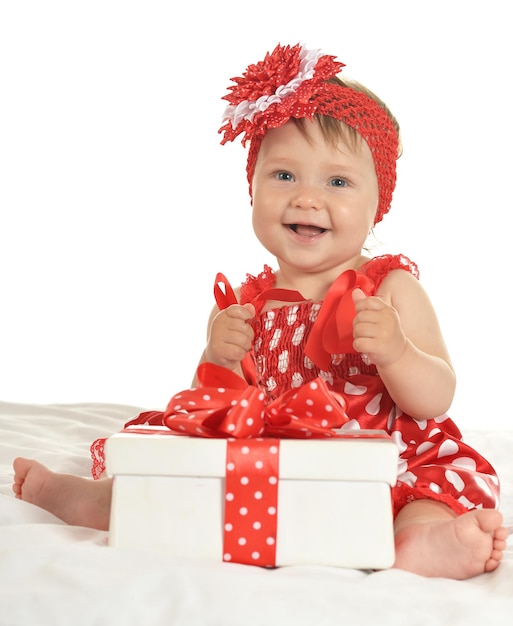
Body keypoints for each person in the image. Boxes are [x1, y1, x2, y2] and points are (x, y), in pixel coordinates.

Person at [13, 43, 508, 579]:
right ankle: (89, 502)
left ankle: (419, 541)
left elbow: (436, 396)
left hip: (381, 459)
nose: (307, 198)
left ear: (377, 204)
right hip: (274, 460)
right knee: (175, 478)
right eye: (283, 176)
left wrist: (397, 350)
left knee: (421, 492)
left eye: (337, 182)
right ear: (252, 189)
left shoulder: (387, 287)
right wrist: (216, 355)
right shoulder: (245, 305)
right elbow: (212, 405)